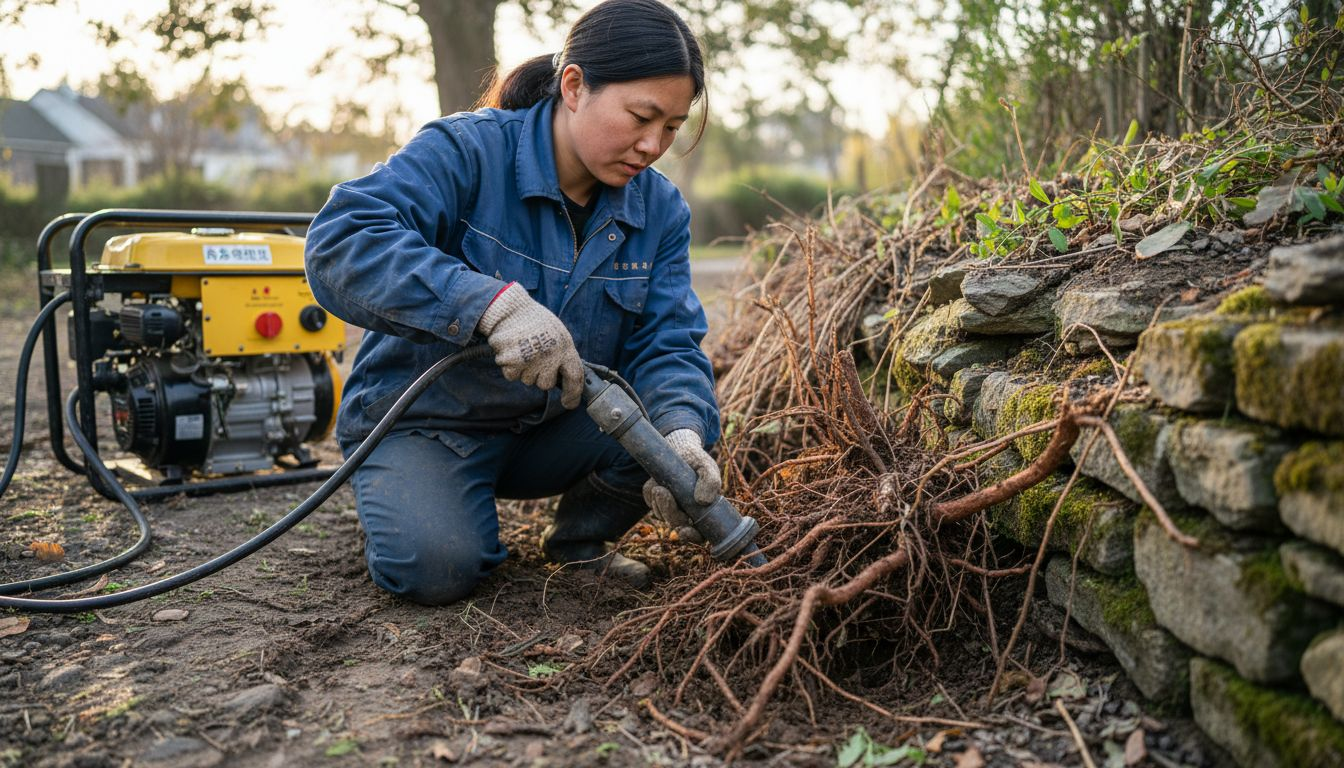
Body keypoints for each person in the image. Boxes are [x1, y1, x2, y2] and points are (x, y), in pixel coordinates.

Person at [304, 0, 721, 606]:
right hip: (427, 424)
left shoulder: (658, 211)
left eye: (673, 127)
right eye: (641, 117)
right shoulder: (465, 151)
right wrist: (489, 304)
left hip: (554, 429)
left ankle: (580, 542)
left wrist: (682, 435)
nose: (653, 144)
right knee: (438, 567)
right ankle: (417, 501)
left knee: (683, 421)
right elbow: (343, 239)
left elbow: (668, 342)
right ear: (574, 86)